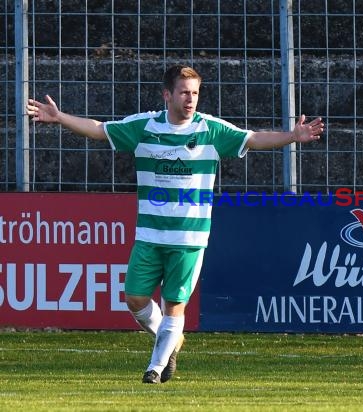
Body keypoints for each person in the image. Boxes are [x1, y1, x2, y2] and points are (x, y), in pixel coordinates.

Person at [27, 65, 324, 384]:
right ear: (167, 94)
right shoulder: (145, 127)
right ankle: (170, 342)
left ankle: (155, 368)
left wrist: (292, 136)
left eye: (195, 92)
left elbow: (253, 139)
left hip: (189, 237)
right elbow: (100, 129)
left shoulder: (210, 129)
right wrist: (61, 117)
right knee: (135, 299)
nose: (190, 99)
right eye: (184, 92)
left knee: (174, 306)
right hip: (150, 235)